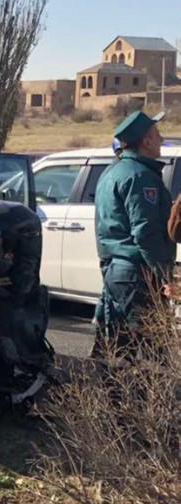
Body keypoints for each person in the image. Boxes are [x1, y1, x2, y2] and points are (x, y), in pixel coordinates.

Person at [93, 110, 175, 352]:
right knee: (151, 350)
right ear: (146, 142)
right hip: (137, 274)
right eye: (157, 135)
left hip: (117, 271)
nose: (162, 139)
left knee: (117, 348)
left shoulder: (112, 171)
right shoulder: (141, 177)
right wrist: (164, 275)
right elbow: (146, 232)